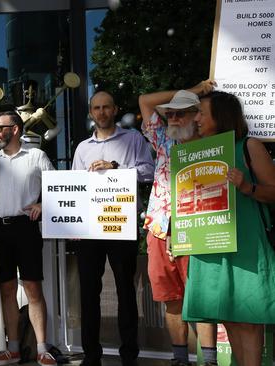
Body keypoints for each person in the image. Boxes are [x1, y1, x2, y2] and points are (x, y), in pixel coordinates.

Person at [183, 91, 275, 366]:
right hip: (212, 244)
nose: (196, 118)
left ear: (221, 116)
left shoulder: (250, 146)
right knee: (231, 318)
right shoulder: (196, 151)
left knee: (248, 319)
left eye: (201, 112)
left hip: (246, 246)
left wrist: (248, 187)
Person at [71, 91, 154, 366]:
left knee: (125, 292)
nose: (102, 112)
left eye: (106, 107)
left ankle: (129, 356)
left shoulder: (132, 139)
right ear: (91, 112)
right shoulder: (82, 148)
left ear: (115, 109)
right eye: (97, 108)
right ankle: (91, 356)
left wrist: (115, 167)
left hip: (121, 224)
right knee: (89, 294)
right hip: (90, 228)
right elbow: (74, 187)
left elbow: (149, 171)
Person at [139, 80, 218, 366]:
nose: (172, 118)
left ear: (195, 115)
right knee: (171, 298)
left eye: (179, 113)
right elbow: (146, 100)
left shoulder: (212, 144)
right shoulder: (164, 140)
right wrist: (194, 90)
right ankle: (180, 359)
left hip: (198, 229)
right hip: (160, 229)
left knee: (202, 297)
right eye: (169, 113)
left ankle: (209, 360)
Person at [0, 111, 57, 366]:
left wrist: (42, 202)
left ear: (14, 129)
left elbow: (57, 187)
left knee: (32, 288)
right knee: (7, 289)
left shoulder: (37, 155)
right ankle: (13, 349)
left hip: (26, 227)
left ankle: (42, 349)